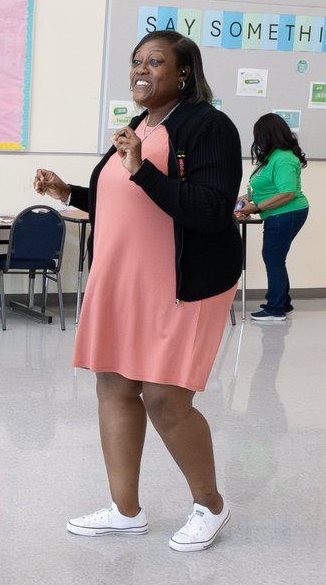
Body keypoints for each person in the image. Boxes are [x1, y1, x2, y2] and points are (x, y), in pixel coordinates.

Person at [33, 30, 241, 552]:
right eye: (135, 62)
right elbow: (123, 201)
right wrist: (68, 192)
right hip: (121, 279)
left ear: (184, 73)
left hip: (181, 282)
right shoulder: (137, 127)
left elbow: (211, 210)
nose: (140, 70)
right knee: (116, 387)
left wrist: (143, 168)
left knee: (166, 399)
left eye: (155, 61)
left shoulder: (210, 125)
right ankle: (125, 510)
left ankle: (211, 505)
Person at [235, 113, 310, 322]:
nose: (257, 141)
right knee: (275, 258)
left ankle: (275, 308)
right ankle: (282, 302)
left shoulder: (284, 158)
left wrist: (256, 208)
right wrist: (239, 202)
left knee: (273, 258)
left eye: (259, 135)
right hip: (279, 213)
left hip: (287, 213)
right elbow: (261, 190)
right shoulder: (273, 157)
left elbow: (287, 194)